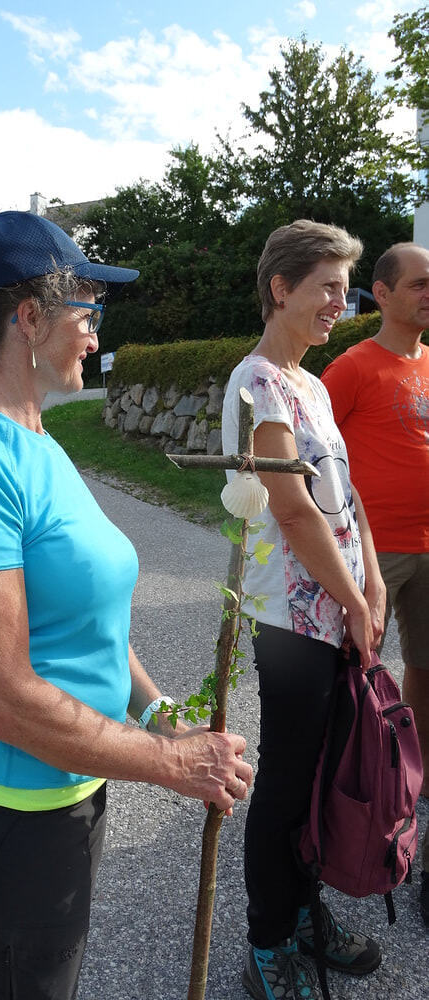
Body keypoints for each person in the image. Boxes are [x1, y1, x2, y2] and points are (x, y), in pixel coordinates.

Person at [0, 210, 253, 1000]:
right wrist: (169, 763)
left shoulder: (37, 440)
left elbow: (89, 617)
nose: (95, 335)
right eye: (86, 314)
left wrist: (159, 712)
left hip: (67, 792)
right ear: (28, 318)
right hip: (0, 821)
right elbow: (1, 698)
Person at [222, 219, 386, 1000]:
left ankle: (300, 910)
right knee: (288, 781)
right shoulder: (257, 380)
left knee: (320, 776)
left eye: (345, 289)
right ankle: (266, 939)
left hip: (340, 610)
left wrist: (373, 584)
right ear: (280, 287)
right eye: (326, 286)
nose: (339, 304)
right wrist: (353, 600)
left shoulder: (312, 385)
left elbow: (343, 500)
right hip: (295, 624)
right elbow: (290, 509)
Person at [321, 242, 429, 928]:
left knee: (423, 672)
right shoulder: (352, 367)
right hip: (375, 549)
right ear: (380, 295)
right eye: (417, 284)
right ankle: (339, 796)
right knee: (352, 675)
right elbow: (309, 455)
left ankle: (408, 785)